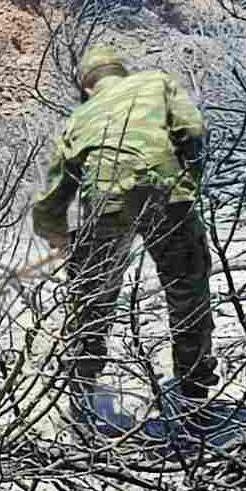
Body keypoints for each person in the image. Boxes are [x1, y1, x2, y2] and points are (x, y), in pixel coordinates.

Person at [30, 46, 218, 437]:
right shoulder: (155, 82)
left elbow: (52, 196)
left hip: (105, 206)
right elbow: (194, 131)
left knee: (91, 303)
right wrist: (189, 183)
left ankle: (82, 399)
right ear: (121, 70)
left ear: (86, 86)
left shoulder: (78, 118)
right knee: (187, 294)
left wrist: (58, 239)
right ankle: (193, 398)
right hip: (167, 194)